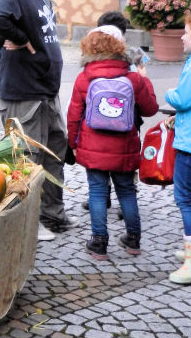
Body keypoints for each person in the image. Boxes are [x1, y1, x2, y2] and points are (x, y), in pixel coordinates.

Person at [0, 0, 76, 240]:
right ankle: (28, 225)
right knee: (26, 161)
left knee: (53, 153)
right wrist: (21, 40)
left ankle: (53, 214)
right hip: (23, 94)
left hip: (44, 91)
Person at [66, 26, 159, 260]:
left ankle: (99, 243)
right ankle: (133, 239)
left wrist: (72, 142)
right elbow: (150, 109)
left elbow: (74, 113)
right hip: (124, 146)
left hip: (92, 145)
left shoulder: (84, 77)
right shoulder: (133, 78)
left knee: (97, 192)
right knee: (127, 192)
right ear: (119, 47)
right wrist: (145, 81)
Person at [164, 11, 191, 284]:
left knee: (187, 199)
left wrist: (168, 95)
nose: (181, 36)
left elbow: (184, 98)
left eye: (186, 32)